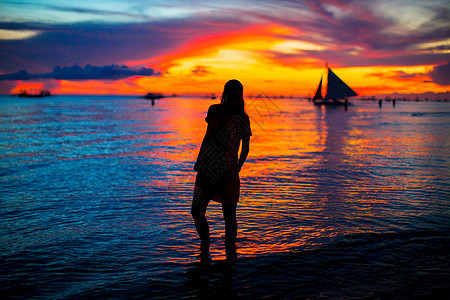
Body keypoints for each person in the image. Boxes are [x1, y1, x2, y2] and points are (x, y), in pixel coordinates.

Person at [191, 79, 252, 259]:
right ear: (224, 93)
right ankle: (205, 247)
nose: (233, 97)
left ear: (240, 96)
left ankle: (230, 253)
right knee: (196, 210)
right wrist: (200, 159)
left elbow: (246, 147)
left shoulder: (243, 118)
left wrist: (238, 167)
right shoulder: (214, 110)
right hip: (206, 168)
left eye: (236, 94)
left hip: (227, 172)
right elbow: (208, 135)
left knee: (229, 214)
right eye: (230, 93)